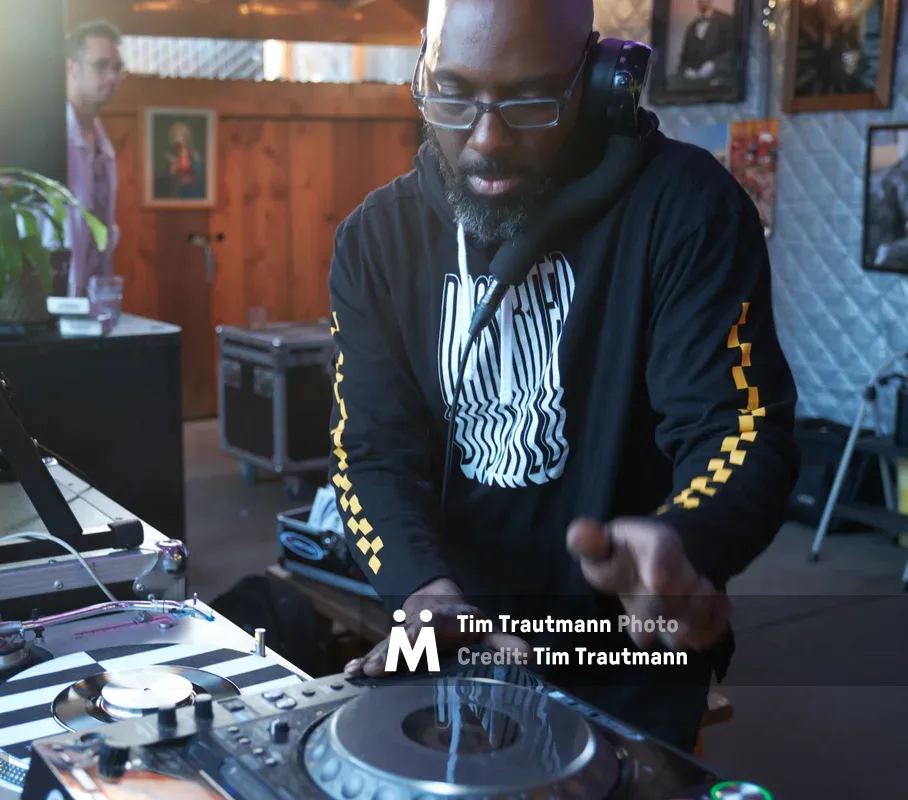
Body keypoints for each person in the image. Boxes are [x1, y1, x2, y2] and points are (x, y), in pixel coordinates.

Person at [328, 0, 798, 752]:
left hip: (623, 657)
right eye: (452, 94)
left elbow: (737, 426)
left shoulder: (687, 209)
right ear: (419, 72)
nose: (485, 140)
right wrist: (420, 587)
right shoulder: (375, 241)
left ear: (603, 82)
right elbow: (370, 449)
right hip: (456, 645)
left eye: (529, 100)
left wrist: (685, 536)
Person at [60, 19, 123, 297]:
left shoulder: (102, 142)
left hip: (92, 300)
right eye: (100, 66)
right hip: (52, 297)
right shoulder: (50, 135)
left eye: (117, 68)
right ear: (72, 68)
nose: (111, 77)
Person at [677, 0, 735, 84]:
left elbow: (734, 52)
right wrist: (686, 71)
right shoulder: (691, 27)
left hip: (719, 84)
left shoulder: (726, 20)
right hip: (695, 86)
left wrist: (714, 65)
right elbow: (683, 60)